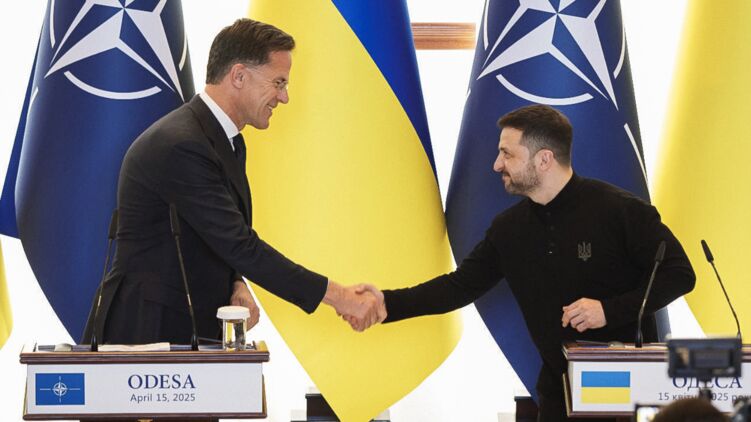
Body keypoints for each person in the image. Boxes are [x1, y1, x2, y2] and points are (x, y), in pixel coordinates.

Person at [355, 104, 695, 421]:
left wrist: (608, 310)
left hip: (623, 387)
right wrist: (385, 303)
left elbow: (680, 274)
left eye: (507, 153)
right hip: (556, 390)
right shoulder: (509, 229)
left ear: (544, 159)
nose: (496, 164)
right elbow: (458, 287)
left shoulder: (620, 210)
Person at [82, 18, 384, 345]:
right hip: (146, 335)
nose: (284, 97)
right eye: (278, 82)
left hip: (184, 331)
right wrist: (340, 297)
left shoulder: (223, 140)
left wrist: (235, 282)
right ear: (238, 76)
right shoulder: (182, 144)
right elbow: (240, 244)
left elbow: (213, 233)